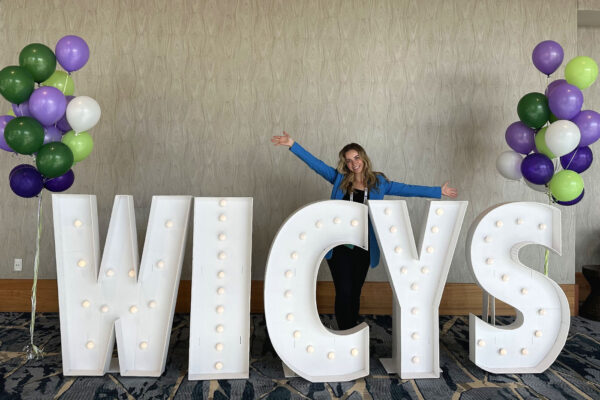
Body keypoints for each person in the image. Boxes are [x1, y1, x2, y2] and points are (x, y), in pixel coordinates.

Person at [271, 131, 458, 330]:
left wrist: (439, 191)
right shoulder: (339, 181)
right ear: (345, 164)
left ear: (363, 157)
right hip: (339, 245)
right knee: (343, 290)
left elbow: (407, 188)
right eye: (349, 160)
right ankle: (344, 331)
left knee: (355, 291)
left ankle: (351, 330)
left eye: (356, 157)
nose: (354, 163)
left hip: (364, 246)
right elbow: (316, 165)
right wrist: (293, 144)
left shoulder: (379, 184)